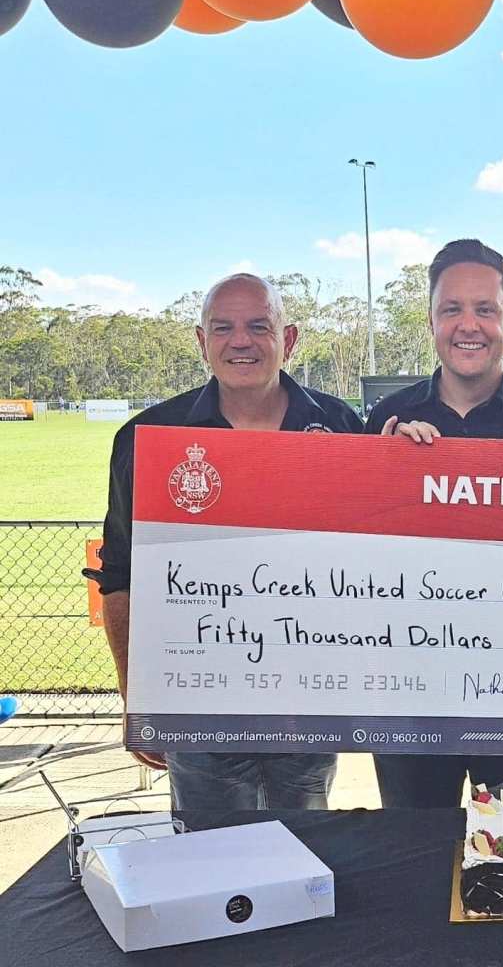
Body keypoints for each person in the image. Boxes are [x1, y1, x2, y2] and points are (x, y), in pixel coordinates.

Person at [86, 274, 363, 811]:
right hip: (196, 702)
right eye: (223, 328)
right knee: (207, 853)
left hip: (307, 701)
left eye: (259, 326)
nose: (241, 341)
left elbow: (378, 565)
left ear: (289, 338)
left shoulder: (342, 427)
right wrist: (136, 696)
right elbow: (119, 576)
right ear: (201, 340)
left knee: (302, 845)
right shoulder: (149, 437)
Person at [365, 239, 503, 808]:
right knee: (414, 847)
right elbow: (358, 569)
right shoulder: (386, 421)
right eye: (452, 309)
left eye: (485, 309)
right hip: (410, 695)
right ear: (431, 320)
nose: (469, 325)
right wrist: (381, 472)